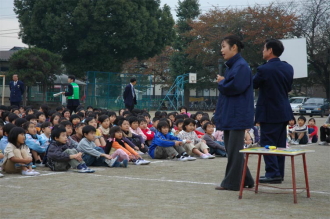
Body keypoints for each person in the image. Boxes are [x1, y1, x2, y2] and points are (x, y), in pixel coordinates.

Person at [213, 35, 255, 191]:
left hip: (237, 114)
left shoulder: (241, 66)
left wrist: (222, 81)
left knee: (234, 150)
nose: (221, 50)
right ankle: (247, 179)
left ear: (234, 47)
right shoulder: (234, 66)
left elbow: (234, 87)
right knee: (233, 149)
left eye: (224, 46)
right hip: (232, 113)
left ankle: (231, 183)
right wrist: (225, 80)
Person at [253, 38, 294, 184]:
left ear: (270, 50)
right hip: (284, 110)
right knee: (280, 144)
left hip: (269, 112)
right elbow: (288, 88)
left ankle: (272, 173)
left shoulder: (264, 69)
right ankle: (279, 173)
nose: (262, 51)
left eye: (264, 48)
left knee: (268, 143)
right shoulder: (288, 67)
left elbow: (253, 83)